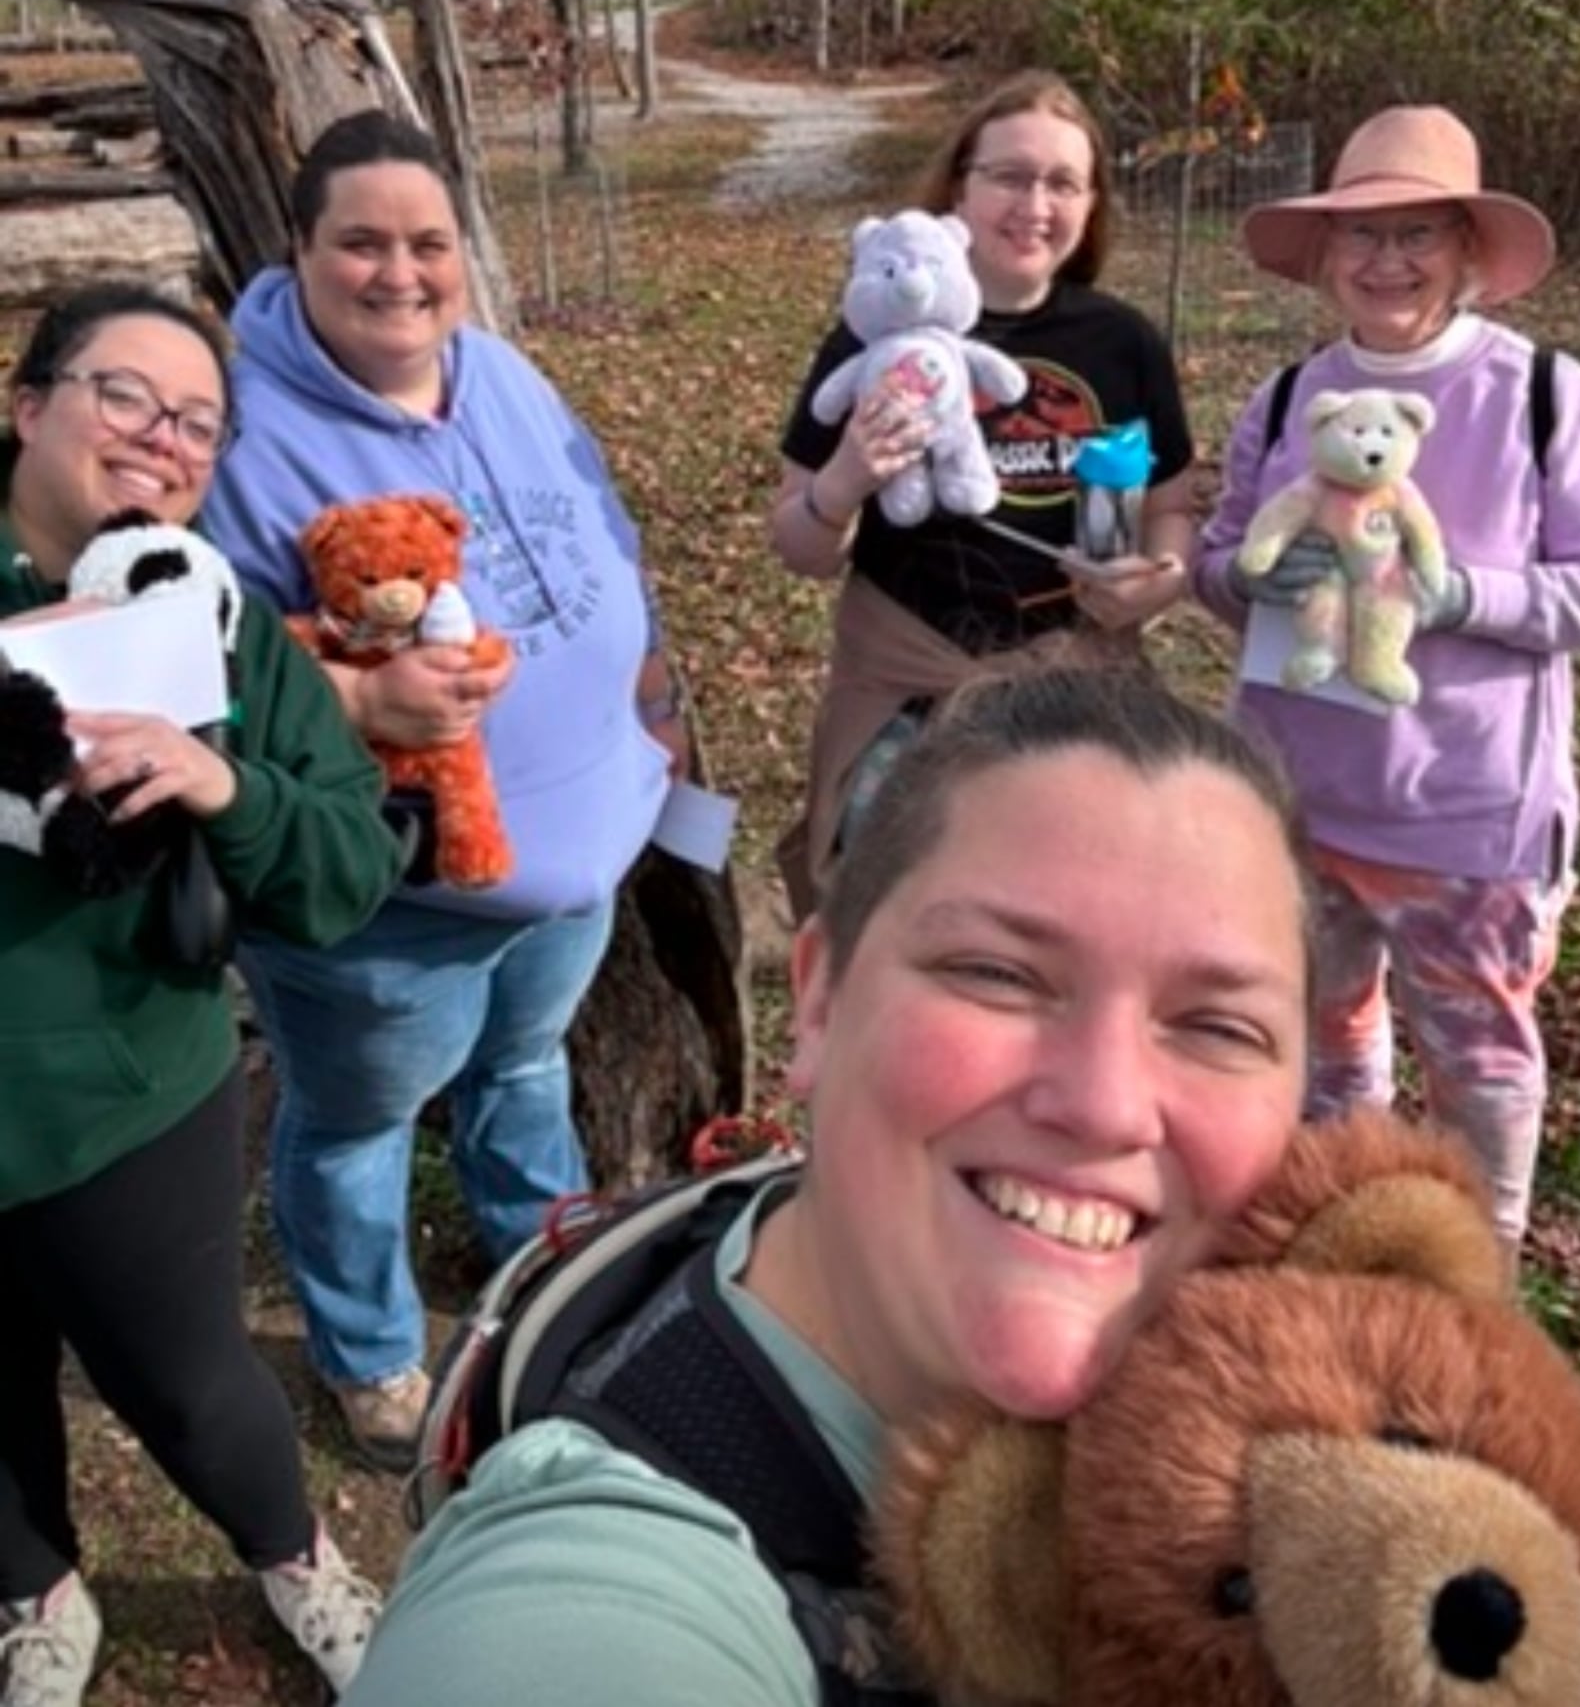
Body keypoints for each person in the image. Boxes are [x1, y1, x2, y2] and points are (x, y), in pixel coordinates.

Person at [339, 662, 1311, 1706]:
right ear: (817, 1000)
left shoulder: (1325, 1395)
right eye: (998, 972)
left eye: (1217, 1024)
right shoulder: (599, 1593)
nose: (1108, 1103)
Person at [204, 110, 683, 1473]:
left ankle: (536, 1269)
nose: (399, 272)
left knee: (525, 1067)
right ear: (296, 248)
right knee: (355, 1120)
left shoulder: (506, 375)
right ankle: (370, 1351)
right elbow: (198, 669)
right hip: (385, 904)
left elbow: (611, 536)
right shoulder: (242, 437)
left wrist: (653, 708)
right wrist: (355, 703)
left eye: (428, 242)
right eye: (360, 242)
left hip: (573, 864)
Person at [0, 285, 400, 1706]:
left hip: (122, 1094)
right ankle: (37, 1593)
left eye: (197, 423)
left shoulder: (208, 617)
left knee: (186, 1384)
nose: (163, 438)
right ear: (27, 401)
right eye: (126, 396)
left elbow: (350, 863)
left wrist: (228, 781)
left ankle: (298, 1557)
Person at [1193, 104, 1580, 1252]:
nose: (1387, 261)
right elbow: (1219, 563)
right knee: (1325, 1051)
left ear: (1467, 251)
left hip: (1464, 822)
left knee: (1477, 1075)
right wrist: (1257, 578)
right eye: (1361, 236)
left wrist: (1457, 593)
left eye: (1416, 233)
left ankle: (1476, 1288)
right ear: (1323, 257)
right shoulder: (1286, 400)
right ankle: (1340, 1249)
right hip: (1296, 807)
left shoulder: (1542, 397)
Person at [771, 70, 1196, 912]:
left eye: (1063, 182)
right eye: (1008, 175)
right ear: (957, 188)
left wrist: (1161, 577)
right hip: (907, 689)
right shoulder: (872, 341)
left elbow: (1171, 505)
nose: (1034, 204)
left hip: (1078, 687)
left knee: (1075, 920)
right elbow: (798, 549)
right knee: (894, 917)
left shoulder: (1123, 342)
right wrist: (846, 481)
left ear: (1091, 203)